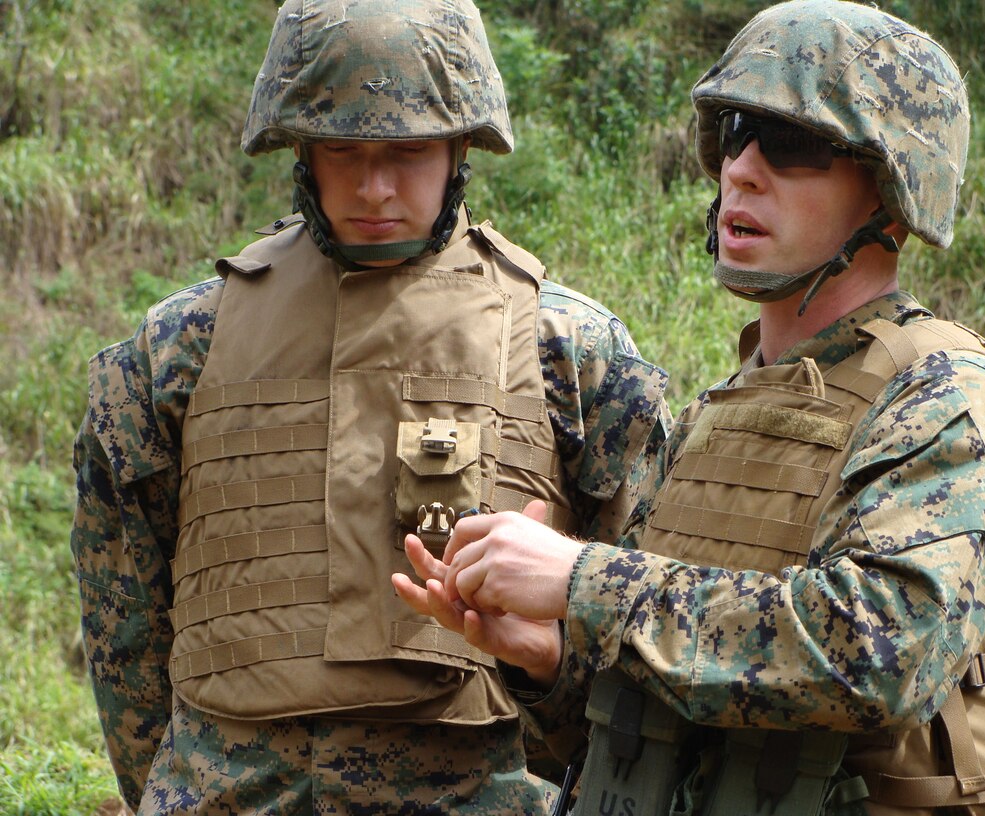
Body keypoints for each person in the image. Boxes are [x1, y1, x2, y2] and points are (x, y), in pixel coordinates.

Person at [393, 1, 985, 814]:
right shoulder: (727, 412)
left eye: (790, 146)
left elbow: (883, 655)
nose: (741, 169)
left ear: (892, 190)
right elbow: (673, 718)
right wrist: (551, 662)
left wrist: (582, 582)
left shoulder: (954, 398)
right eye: (736, 132)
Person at [69, 0, 670, 813]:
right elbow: (123, 627)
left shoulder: (571, 349)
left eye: (409, 151)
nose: (374, 185)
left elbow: (628, 641)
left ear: (461, 146)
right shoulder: (177, 351)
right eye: (342, 149)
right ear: (299, 151)